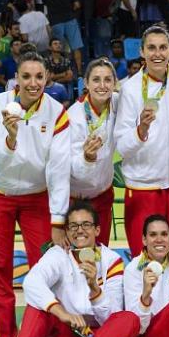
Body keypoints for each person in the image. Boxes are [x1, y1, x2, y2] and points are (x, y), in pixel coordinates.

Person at [0, 50, 71, 337]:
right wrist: (11, 138)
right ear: (16, 79)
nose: (33, 83)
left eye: (39, 77)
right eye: (26, 76)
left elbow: (59, 171)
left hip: (36, 196)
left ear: (47, 79)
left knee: (48, 270)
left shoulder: (57, 112)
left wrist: (59, 219)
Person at [0, 201, 139, 337]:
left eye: (86, 225)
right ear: (66, 231)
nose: (79, 230)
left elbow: (110, 318)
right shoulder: (58, 254)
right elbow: (32, 281)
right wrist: (61, 312)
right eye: (73, 226)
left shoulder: (112, 260)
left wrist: (94, 290)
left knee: (129, 319)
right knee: (39, 300)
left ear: (97, 230)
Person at [115, 25, 169, 273]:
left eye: (163, 47)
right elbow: (121, 146)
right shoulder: (129, 90)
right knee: (147, 263)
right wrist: (141, 131)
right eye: (151, 48)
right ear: (142, 51)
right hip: (144, 187)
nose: (157, 54)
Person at [69, 58, 119, 246]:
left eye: (108, 80)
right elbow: (70, 166)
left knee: (100, 251)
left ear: (115, 83)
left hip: (103, 194)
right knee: (76, 254)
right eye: (96, 80)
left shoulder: (118, 104)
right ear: (86, 83)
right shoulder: (73, 116)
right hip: (75, 197)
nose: (102, 85)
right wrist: (87, 158)